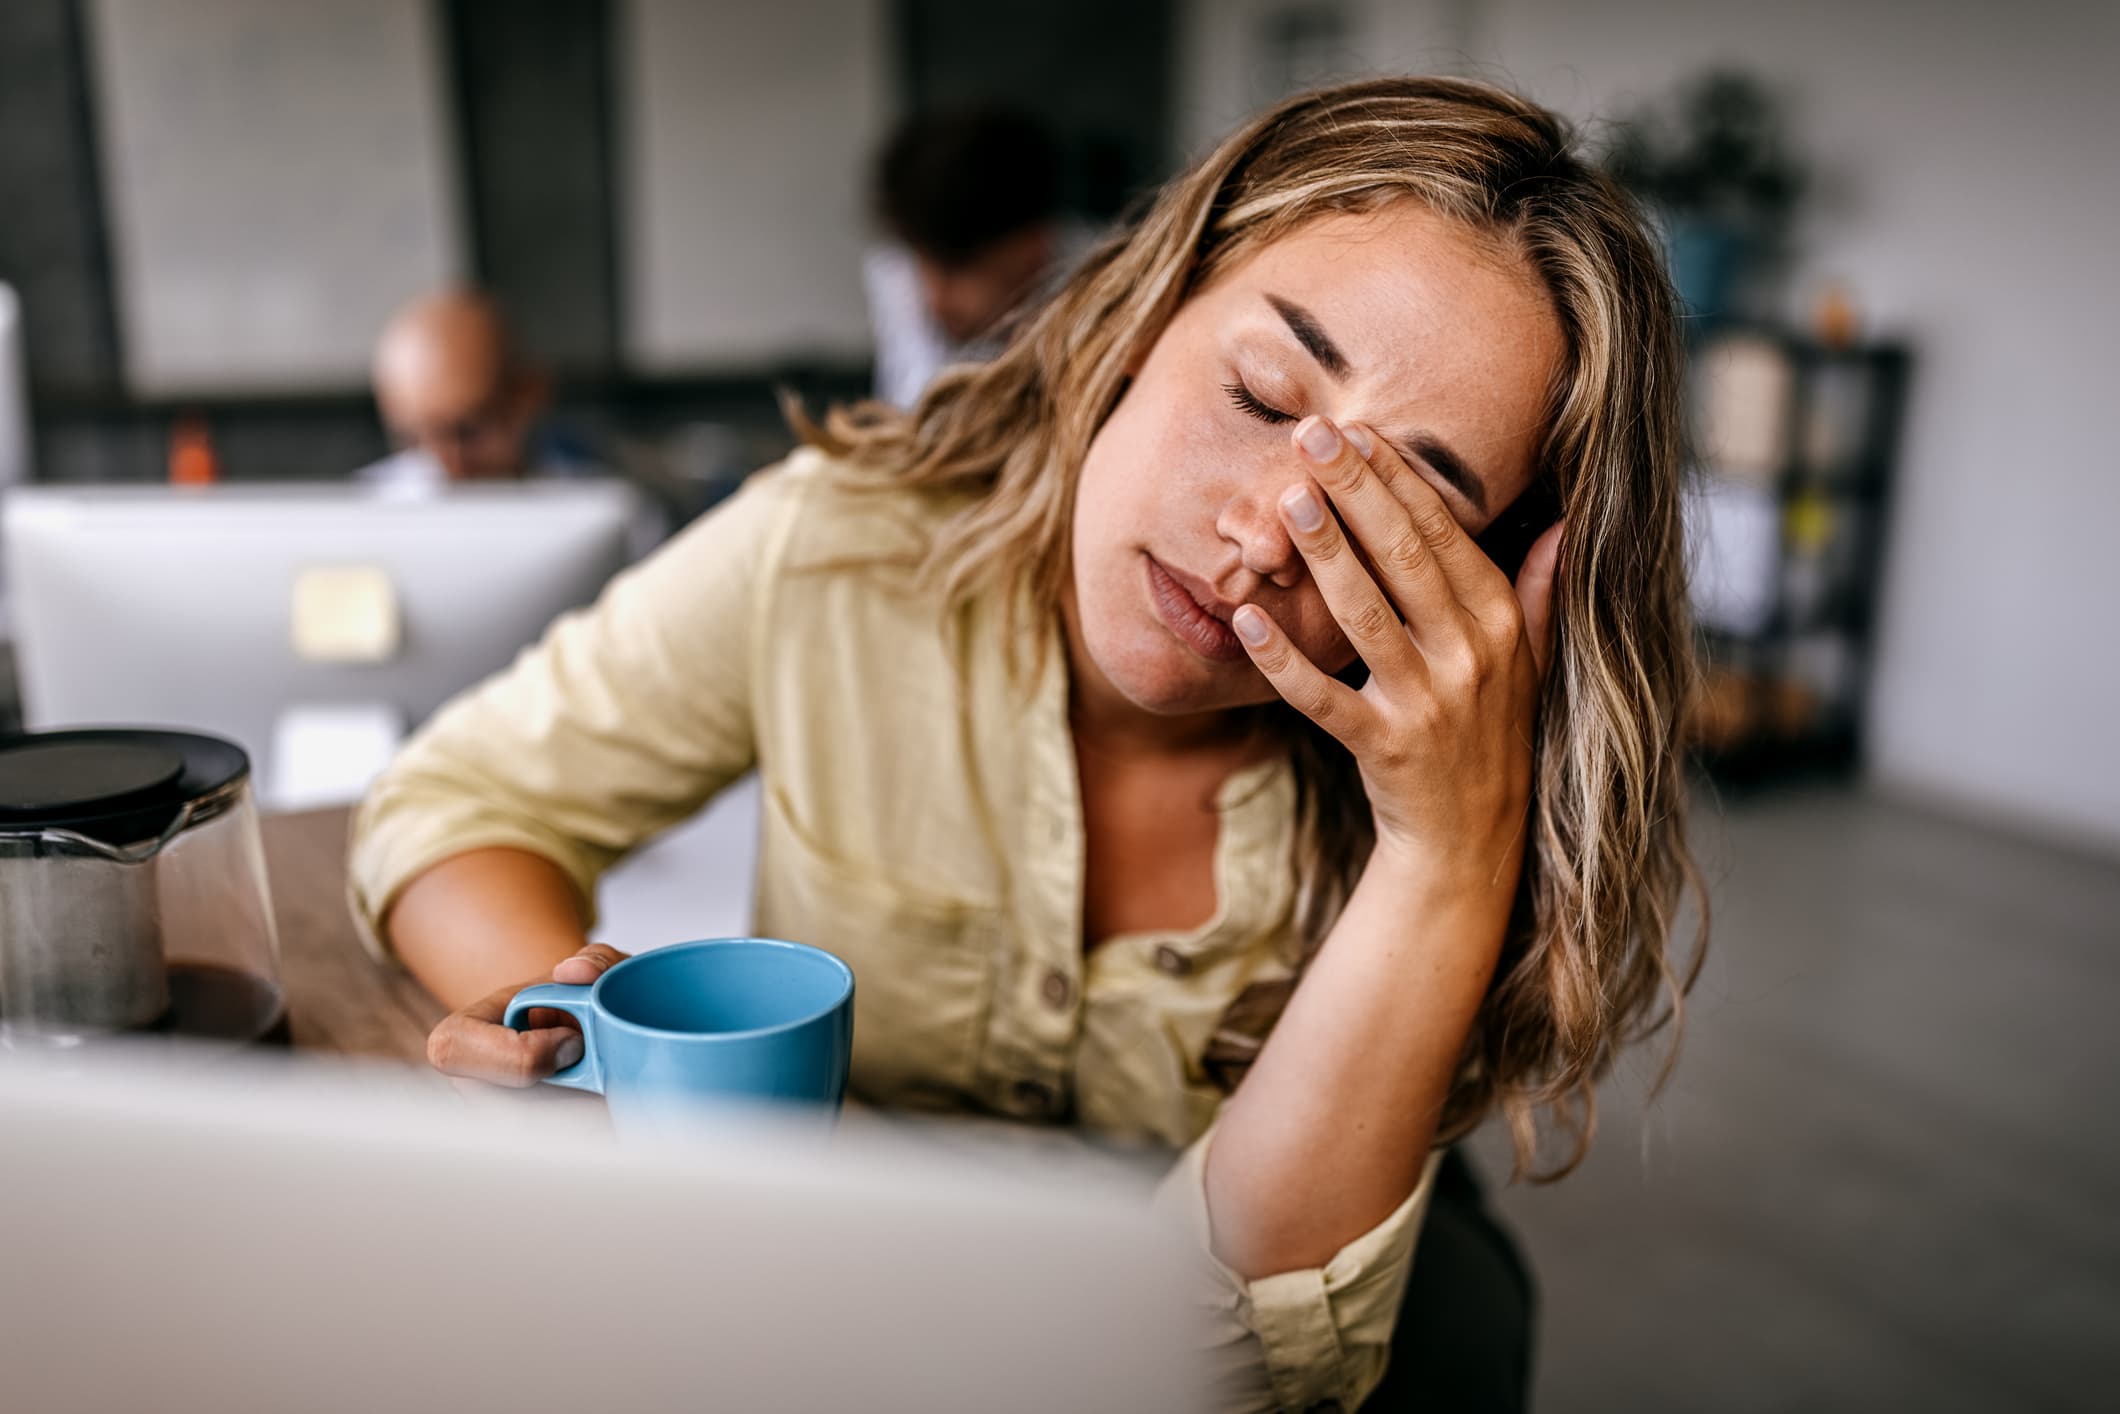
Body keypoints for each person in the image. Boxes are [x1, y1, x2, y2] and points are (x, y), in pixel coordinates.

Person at [352, 77, 1703, 1412]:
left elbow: (1239, 1365)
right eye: (1258, 391)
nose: (1261, 537)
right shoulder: (841, 550)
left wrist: (1445, 853)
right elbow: (455, 799)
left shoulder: (1448, 787)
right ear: (1139, 317)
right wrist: (599, 1057)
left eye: (1394, 511)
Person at [863, 106, 1080, 407]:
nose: (936, 297)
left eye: (958, 268)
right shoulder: (899, 274)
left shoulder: (1101, 285)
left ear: (1032, 244)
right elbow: (912, 413)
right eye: (923, 263)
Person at [358, 288, 595, 490]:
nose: (443, 465)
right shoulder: (365, 509)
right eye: (412, 439)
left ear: (529, 396)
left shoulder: (594, 498)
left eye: (466, 432)